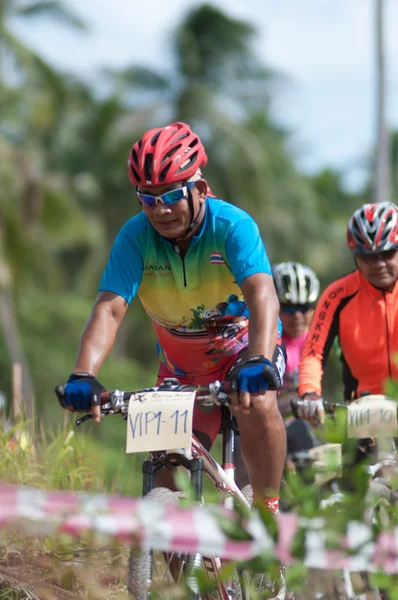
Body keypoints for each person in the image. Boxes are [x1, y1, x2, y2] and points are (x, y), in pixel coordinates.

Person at [57, 121, 287, 512]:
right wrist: (83, 373)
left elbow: (262, 295)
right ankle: (178, 571)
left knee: (257, 401)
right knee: (163, 487)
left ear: (199, 189)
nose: (160, 210)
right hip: (180, 368)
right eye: (147, 199)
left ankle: (268, 509)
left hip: (242, 352)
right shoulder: (135, 238)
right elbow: (111, 308)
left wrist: (260, 360)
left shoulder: (232, 226)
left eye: (171, 196)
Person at [298, 201, 398, 425]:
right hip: (363, 412)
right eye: (369, 257)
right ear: (356, 257)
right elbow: (313, 352)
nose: (379, 264)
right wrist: (310, 393)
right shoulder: (338, 294)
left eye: (388, 253)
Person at [273, 262, 321, 454]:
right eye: (289, 308)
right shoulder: (263, 340)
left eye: (304, 307)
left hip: (312, 428)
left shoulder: (321, 339)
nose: (298, 316)